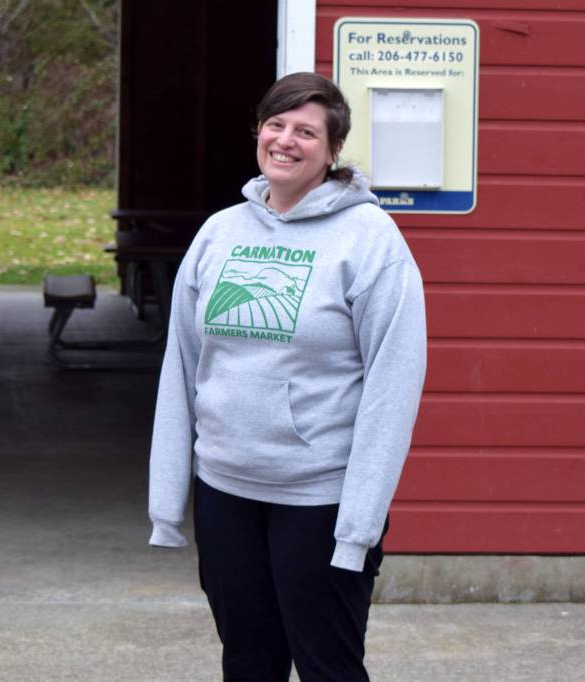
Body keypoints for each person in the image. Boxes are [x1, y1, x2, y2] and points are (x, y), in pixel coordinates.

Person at [148, 72, 427, 681]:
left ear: (332, 153)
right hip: (226, 490)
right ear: (258, 134)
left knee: (328, 667)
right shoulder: (220, 233)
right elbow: (183, 365)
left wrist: (357, 526)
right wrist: (169, 499)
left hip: (318, 500)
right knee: (248, 663)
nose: (286, 141)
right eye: (276, 125)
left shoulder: (371, 241)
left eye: (306, 131)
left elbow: (392, 388)